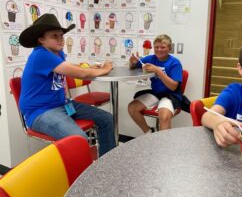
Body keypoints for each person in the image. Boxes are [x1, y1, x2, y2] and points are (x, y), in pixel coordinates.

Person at [19, 13, 116, 156]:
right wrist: (105, 69)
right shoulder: (41, 55)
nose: (60, 40)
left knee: (107, 119)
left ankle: (107, 164)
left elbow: (68, 67)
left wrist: (89, 68)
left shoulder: (57, 53)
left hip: (62, 105)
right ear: (41, 40)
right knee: (80, 140)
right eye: (54, 36)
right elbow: (80, 74)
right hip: (41, 112)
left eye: (61, 36)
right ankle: (85, 177)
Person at [128, 34, 183, 133]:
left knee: (164, 116)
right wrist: (132, 62)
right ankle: (149, 133)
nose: (159, 50)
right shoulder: (151, 58)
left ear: (169, 48)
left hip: (171, 94)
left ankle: (163, 146)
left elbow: (173, 87)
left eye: (163, 47)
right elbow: (135, 65)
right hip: (156, 93)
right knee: (132, 108)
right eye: (157, 47)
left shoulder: (175, 63)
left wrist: (157, 71)